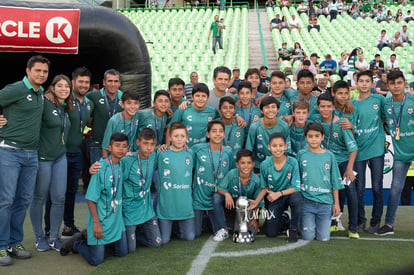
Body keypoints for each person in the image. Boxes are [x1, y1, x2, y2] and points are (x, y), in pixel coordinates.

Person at [0, 55, 50, 265]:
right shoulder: (16, 88)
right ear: (28, 71)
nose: (41, 74)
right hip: (10, 151)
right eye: (38, 70)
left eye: (45, 72)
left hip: (32, 154)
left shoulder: (40, 94)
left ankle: (14, 242)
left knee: (22, 201)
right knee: (6, 200)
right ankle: (1, 247)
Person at [60, 133, 128, 265]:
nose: (121, 149)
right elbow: (90, 199)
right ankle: (77, 243)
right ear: (109, 147)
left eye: (124, 146)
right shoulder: (100, 168)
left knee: (122, 253)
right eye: (117, 146)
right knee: (96, 260)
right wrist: (96, 223)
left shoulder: (122, 164)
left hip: (115, 220)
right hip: (100, 221)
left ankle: (86, 236)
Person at [29, 75, 73, 252]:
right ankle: (39, 237)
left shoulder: (64, 106)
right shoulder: (43, 102)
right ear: (52, 88)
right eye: (60, 86)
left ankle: (54, 236)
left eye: (67, 86)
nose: (64, 89)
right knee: (39, 197)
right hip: (43, 158)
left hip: (60, 157)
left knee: (59, 198)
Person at [314, 92, 359, 239]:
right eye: (322, 106)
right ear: (317, 107)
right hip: (324, 163)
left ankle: (353, 227)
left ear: (333, 107)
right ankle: (332, 221)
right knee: (328, 194)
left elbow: (353, 149)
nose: (325, 109)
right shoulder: (315, 122)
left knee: (350, 191)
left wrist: (349, 168)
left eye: (328, 106)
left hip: (342, 163)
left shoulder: (342, 123)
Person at [378, 71, 414, 235]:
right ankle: (389, 225)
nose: (396, 86)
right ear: (388, 85)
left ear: (405, 83)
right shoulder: (386, 103)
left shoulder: (412, 100)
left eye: (399, 83)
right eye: (392, 84)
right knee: (395, 188)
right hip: (400, 153)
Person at [351, 71, 386, 233]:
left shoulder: (379, 99)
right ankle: (360, 220)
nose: (364, 84)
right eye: (361, 81)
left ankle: (375, 221)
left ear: (372, 84)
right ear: (356, 83)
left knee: (377, 187)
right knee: (359, 188)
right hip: (358, 150)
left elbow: (387, 117)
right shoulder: (351, 104)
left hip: (377, 149)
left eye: (367, 81)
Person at [297, 122, 343, 241]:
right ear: (306, 137)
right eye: (310, 136)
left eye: (317, 136)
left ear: (322, 137)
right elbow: (297, 178)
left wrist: (336, 204)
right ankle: (298, 223)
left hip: (325, 203)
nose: (314, 139)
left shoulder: (329, 156)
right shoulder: (301, 154)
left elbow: (335, 181)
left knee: (323, 238)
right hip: (307, 202)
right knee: (308, 237)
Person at [62, 67, 94, 239]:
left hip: (77, 153)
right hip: (60, 153)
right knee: (56, 193)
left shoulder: (89, 102)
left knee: (71, 191)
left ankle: (68, 226)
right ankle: (47, 232)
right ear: (73, 82)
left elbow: (90, 120)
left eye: (86, 82)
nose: (83, 85)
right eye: (80, 81)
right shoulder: (64, 99)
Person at [120, 128, 162, 251]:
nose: (149, 148)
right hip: (129, 211)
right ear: (138, 142)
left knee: (157, 243)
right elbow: (111, 169)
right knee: (130, 249)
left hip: (146, 209)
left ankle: (135, 235)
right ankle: (127, 236)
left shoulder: (154, 155)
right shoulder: (127, 161)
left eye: (152, 144)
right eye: (145, 143)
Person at [192, 120, 235, 239]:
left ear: (224, 134)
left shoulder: (228, 152)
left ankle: (207, 222)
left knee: (218, 230)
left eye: (221, 131)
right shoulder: (197, 149)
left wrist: (227, 193)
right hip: (199, 198)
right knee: (195, 233)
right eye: (214, 131)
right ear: (208, 134)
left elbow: (231, 174)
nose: (218, 134)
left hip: (216, 199)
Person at [258, 133, 302, 242]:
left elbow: (296, 187)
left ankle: (293, 229)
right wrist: (256, 202)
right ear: (269, 147)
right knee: (271, 233)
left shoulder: (293, 162)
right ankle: (285, 218)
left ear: (285, 147)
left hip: (289, 194)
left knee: (297, 199)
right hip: (275, 198)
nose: (278, 149)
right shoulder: (264, 164)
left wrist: (279, 193)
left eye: (281, 145)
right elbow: (264, 187)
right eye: (274, 146)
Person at [156, 123, 196, 244]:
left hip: (185, 206)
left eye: (182, 136)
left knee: (190, 237)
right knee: (164, 241)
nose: (179, 139)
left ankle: (177, 228)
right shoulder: (161, 153)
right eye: (176, 136)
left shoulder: (190, 153)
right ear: (170, 137)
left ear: (186, 137)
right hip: (166, 206)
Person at [213, 149, 264, 241]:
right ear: (237, 164)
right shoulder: (232, 174)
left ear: (253, 164)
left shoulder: (256, 180)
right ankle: (223, 228)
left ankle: (236, 226)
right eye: (243, 163)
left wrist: (254, 219)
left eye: (249, 163)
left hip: (247, 211)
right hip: (231, 207)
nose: (246, 166)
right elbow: (220, 188)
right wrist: (227, 193)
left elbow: (258, 202)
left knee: (249, 232)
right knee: (216, 197)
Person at [86, 69, 123, 164]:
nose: (113, 84)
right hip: (97, 145)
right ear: (104, 82)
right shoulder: (93, 96)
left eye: (116, 81)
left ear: (119, 83)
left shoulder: (124, 97)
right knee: (98, 176)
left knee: (117, 177)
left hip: (119, 146)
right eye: (110, 81)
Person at [246, 97, 291, 173]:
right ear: (261, 110)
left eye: (273, 107)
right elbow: (249, 149)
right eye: (267, 107)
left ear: (278, 110)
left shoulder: (284, 126)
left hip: (278, 165)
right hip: (259, 166)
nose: (270, 110)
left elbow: (287, 149)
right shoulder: (255, 127)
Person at [167, 83, 220, 148]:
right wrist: (168, 146)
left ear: (208, 98)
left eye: (203, 96)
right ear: (192, 97)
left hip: (202, 150)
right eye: (197, 96)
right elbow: (170, 127)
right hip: (184, 149)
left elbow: (222, 122)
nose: (200, 99)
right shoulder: (183, 108)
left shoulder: (213, 111)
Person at [101, 91, 140, 158]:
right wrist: (106, 164)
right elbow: (105, 147)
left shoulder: (137, 116)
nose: (133, 106)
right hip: (116, 159)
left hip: (131, 156)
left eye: (136, 103)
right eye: (129, 103)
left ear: (139, 105)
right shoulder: (114, 121)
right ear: (122, 104)